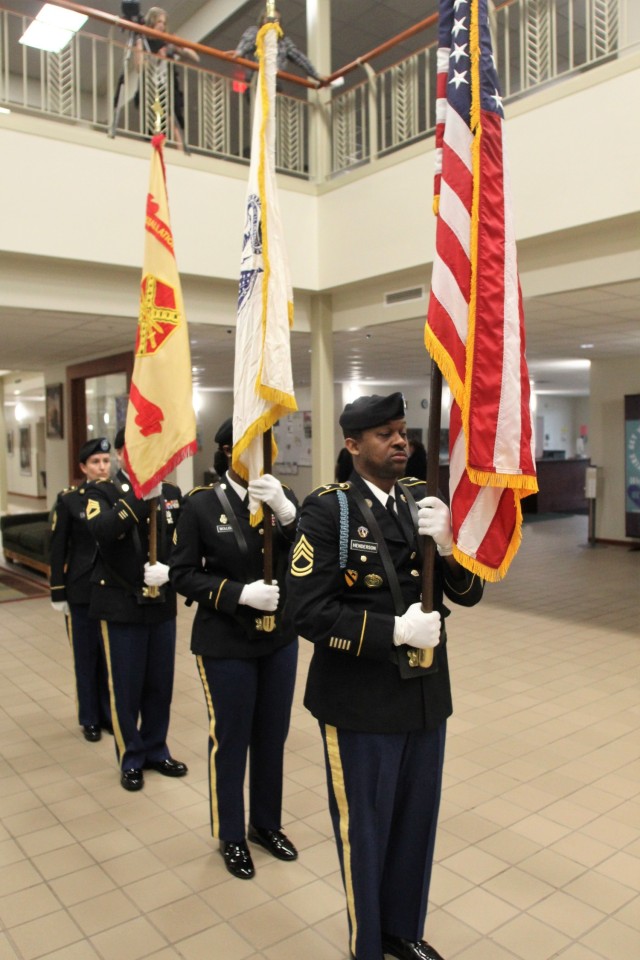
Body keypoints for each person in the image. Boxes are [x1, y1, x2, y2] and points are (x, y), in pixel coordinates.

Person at [285, 392, 484, 960]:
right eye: (384, 434)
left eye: (402, 431)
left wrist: (449, 547)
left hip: (424, 693)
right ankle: (367, 944)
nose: (401, 442)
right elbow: (309, 612)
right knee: (366, 832)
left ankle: (402, 930)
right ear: (352, 446)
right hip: (360, 700)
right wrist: (394, 632)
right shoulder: (329, 511)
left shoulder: (422, 500)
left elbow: (468, 595)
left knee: (416, 823)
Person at [170, 417, 299, 880]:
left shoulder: (281, 499)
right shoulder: (201, 505)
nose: (263, 457)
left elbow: (306, 559)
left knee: (272, 735)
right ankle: (231, 834)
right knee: (232, 738)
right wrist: (238, 594)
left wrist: (287, 515)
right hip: (225, 640)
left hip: (279, 639)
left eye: (268, 446)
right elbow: (182, 573)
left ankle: (266, 823)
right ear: (227, 452)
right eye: (251, 448)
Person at [84, 427, 187, 791]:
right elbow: (103, 529)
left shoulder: (172, 494)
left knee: (160, 685)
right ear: (122, 454)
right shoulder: (102, 491)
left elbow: (184, 544)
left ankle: (156, 748)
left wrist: (171, 570)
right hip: (122, 603)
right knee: (126, 687)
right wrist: (142, 498)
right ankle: (132, 755)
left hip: (161, 604)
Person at [49, 437, 113, 742]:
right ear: (83, 467)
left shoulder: (117, 495)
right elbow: (57, 548)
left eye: (106, 461)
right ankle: (89, 716)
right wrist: (57, 591)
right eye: (96, 462)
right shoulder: (69, 500)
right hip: (81, 589)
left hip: (112, 588)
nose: (102, 467)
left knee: (109, 657)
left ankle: (107, 713)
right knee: (86, 656)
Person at [134, 7, 200, 151]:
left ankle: (181, 149)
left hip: (167, 84)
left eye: (164, 23)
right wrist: (155, 57)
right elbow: (139, 66)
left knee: (173, 115)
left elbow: (195, 57)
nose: (161, 26)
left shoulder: (167, 41)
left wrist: (179, 44)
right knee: (156, 118)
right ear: (151, 22)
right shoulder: (143, 40)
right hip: (151, 84)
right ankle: (157, 148)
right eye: (158, 22)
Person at [234, 9, 327, 89]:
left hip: (274, 82)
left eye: (275, 20)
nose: (271, 22)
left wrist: (316, 75)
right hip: (255, 80)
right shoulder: (255, 32)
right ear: (262, 20)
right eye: (269, 19)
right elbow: (246, 43)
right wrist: (239, 52)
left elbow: (300, 58)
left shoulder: (283, 41)